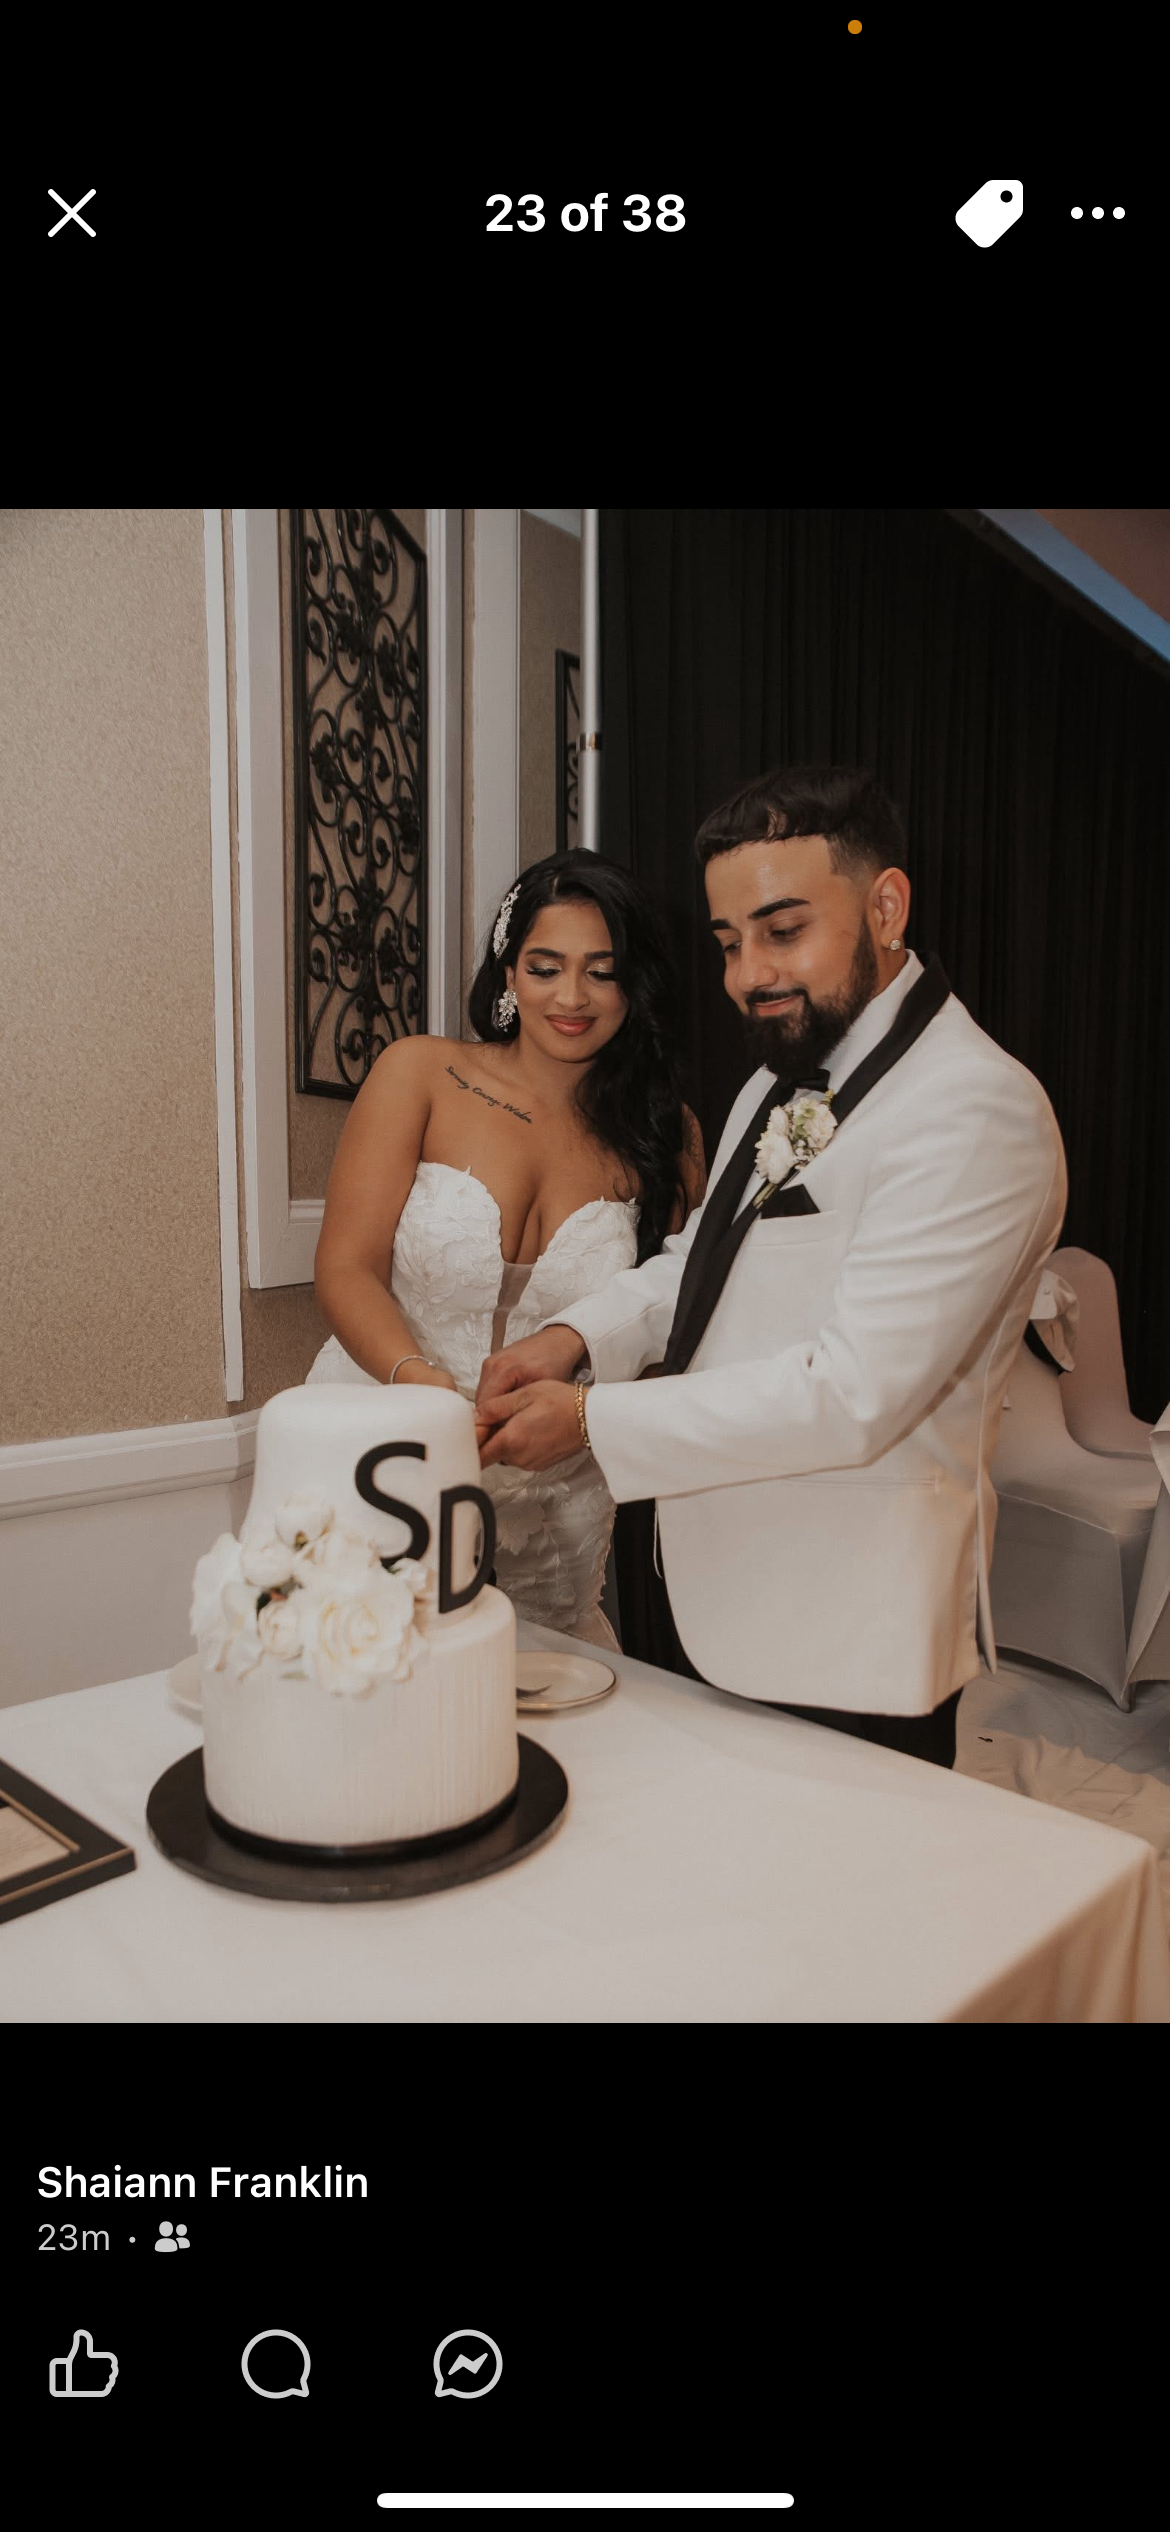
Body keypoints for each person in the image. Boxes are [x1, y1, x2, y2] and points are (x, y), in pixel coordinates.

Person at [475, 765, 1068, 1768]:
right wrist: (577, 1337)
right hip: (713, 1592)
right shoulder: (770, 1086)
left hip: (843, 1635)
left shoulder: (977, 1106)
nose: (747, 974)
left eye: (783, 930)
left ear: (886, 906)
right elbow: (700, 1264)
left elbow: (854, 1391)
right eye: (728, 942)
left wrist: (587, 1421)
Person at [307, 852, 706, 1651]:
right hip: (379, 1442)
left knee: (545, 1717)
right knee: (351, 1682)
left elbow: (668, 1319)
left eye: (602, 972)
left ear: (635, 985)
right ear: (508, 971)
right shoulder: (421, 1072)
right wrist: (425, 1393)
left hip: (554, 1495)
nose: (571, 997)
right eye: (546, 966)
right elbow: (345, 1266)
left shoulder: (669, 1134)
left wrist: (591, 1419)